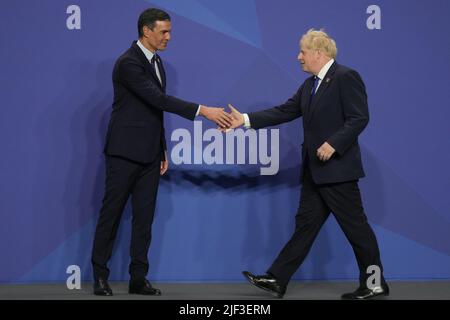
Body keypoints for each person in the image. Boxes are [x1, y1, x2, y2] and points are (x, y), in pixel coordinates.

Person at [227, 29, 389, 299]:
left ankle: (374, 284)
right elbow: (284, 111)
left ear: (319, 53)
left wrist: (333, 143)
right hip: (314, 172)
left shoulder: (346, 77)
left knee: (356, 229)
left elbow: (359, 118)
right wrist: (244, 120)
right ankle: (277, 279)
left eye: (302, 51)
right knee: (305, 227)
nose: (298, 57)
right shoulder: (309, 85)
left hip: (337, 172)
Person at [91, 8, 232, 296]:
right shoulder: (128, 63)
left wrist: (162, 149)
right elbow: (158, 99)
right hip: (123, 153)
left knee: (145, 219)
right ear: (146, 31)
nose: (169, 37)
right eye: (164, 31)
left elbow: (153, 112)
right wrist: (203, 110)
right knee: (112, 215)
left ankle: (138, 279)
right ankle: (99, 276)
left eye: (169, 31)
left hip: (150, 155)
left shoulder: (158, 63)